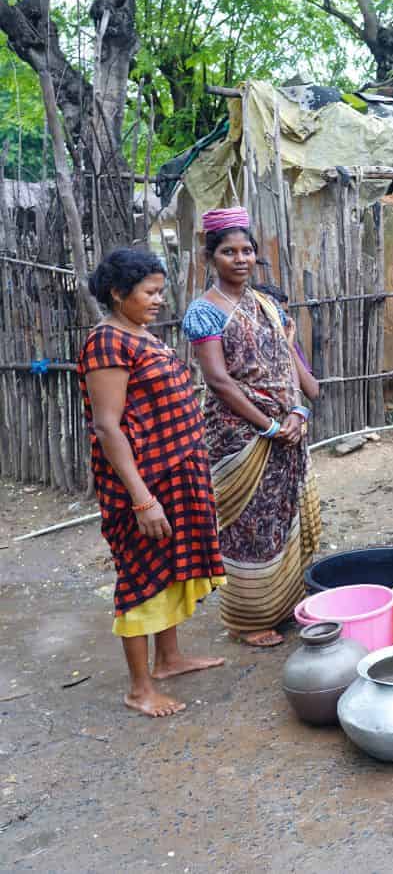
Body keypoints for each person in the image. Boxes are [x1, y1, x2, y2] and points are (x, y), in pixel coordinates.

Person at [79, 249, 226, 717]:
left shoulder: (139, 334)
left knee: (168, 563)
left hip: (175, 475)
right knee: (141, 574)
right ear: (118, 293)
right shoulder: (106, 343)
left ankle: (168, 659)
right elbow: (108, 427)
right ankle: (139, 689)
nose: (159, 300)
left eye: (161, 291)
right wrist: (142, 500)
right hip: (143, 482)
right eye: (149, 292)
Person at [183, 207, 321, 648]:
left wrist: (297, 413)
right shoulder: (204, 312)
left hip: (287, 430)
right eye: (229, 251)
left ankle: (285, 604)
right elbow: (219, 380)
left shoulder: (267, 305)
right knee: (247, 526)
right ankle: (248, 620)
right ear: (211, 257)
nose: (240, 259)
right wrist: (268, 426)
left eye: (246, 250)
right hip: (240, 437)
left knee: (283, 515)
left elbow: (288, 364)